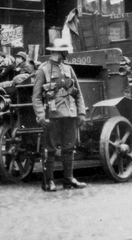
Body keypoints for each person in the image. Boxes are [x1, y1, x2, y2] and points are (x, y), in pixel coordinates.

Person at [32, 38, 87, 191]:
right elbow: (36, 97)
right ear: (58, 51)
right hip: (52, 115)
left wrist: (81, 112)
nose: (67, 53)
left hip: (69, 114)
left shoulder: (69, 69)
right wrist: (41, 116)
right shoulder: (43, 70)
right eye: (65, 51)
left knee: (69, 148)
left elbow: (78, 93)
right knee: (50, 149)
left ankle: (68, 180)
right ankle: (48, 181)